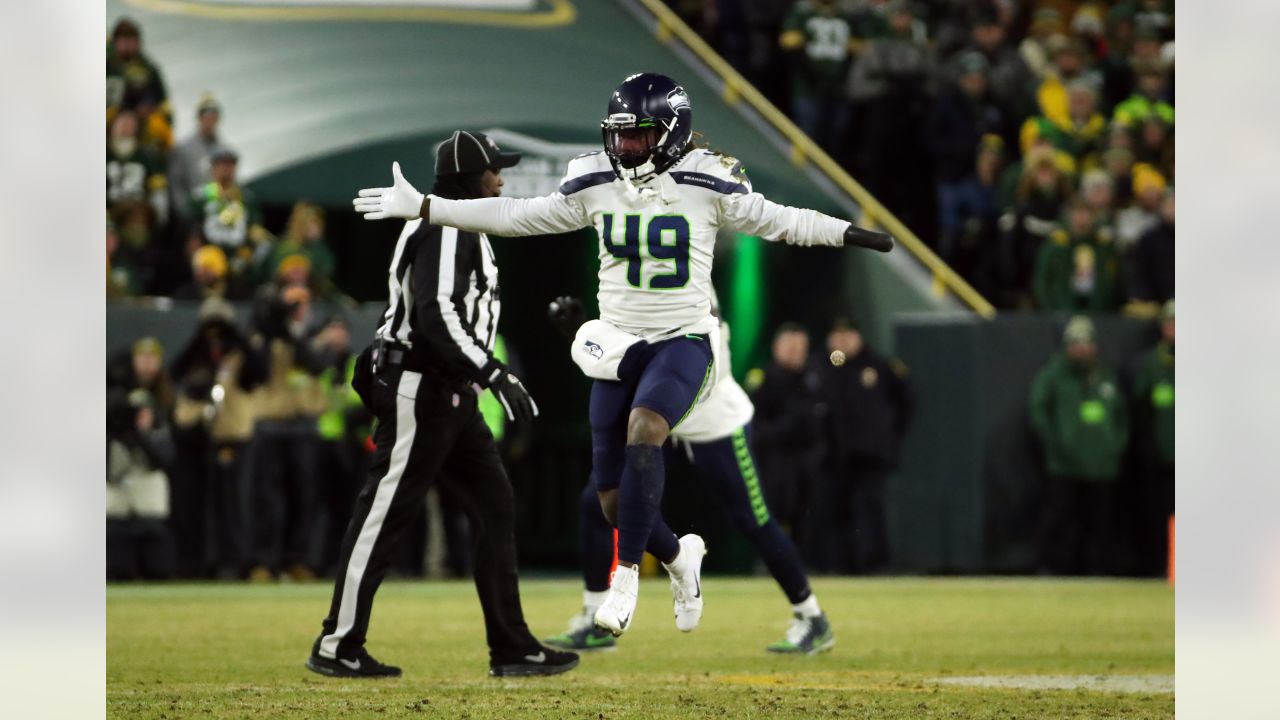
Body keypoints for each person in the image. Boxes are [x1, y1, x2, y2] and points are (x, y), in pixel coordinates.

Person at [352, 73, 892, 639]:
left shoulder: (705, 181)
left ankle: (630, 582)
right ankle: (680, 559)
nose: (625, 148)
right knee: (609, 502)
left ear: (672, 133)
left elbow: (783, 221)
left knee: (662, 441)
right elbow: (516, 216)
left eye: (638, 137)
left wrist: (850, 233)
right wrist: (428, 208)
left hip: (688, 351)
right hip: (621, 348)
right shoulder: (594, 180)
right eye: (620, 136)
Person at [309, 130, 578, 679]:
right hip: (422, 386)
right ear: (467, 179)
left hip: (449, 394)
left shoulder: (457, 222)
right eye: (492, 172)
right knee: (383, 515)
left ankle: (511, 645)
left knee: (495, 507)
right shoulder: (447, 223)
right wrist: (494, 371)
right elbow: (435, 313)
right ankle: (338, 642)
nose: (500, 180)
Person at [542, 297, 834, 655]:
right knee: (601, 502)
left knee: (752, 518)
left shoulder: (688, 269)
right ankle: (595, 612)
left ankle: (811, 615)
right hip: (650, 413)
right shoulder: (633, 270)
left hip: (706, 411)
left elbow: (701, 343)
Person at [1029, 316, 1129, 575]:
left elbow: (1122, 416)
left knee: (1099, 521)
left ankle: (1096, 569)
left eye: (1087, 343)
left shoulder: (1106, 374)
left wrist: (1113, 447)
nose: (1083, 348)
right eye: (1077, 343)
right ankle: (1056, 568)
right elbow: (1038, 411)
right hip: (1064, 464)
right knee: (1061, 519)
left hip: (1101, 465)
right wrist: (1056, 444)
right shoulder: (1053, 375)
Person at [813, 319, 911, 574]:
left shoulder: (879, 366)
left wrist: (888, 436)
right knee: (835, 510)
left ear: (858, 337)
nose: (841, 342)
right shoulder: (821, 367)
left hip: (870, 455)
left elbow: (907, 404)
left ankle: (875, 564)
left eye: (847, 335)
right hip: (834, 455)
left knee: (870, 510)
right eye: (837, 336)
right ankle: (838, 565)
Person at [748, 323, 822, 546]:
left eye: (800, 347)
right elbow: (753, 422)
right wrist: (783, 429)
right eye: (790, 346)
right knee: (774, 508)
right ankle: (770, 560)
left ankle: (806, 562)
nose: (796, 352)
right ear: (777, 347)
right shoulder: (764, 379)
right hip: (775, 457)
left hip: (809, 455)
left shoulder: (814, 377)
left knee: (809, 511)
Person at [1127, 299, 1174, 576]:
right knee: (1156, 517)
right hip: (1162, 461)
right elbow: (1139, 410)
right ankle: (1158, 567)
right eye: (1172, 323)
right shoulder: (1151, 365)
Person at [779, 0, 857, 155]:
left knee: (835, 137)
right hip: (808, 87)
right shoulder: (802, 13)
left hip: (839, 87)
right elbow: (789, 47)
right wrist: (810, 73)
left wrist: (843, 74)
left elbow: (857, 50)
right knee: (807, 136)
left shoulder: (846, 16)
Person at [169, 94, 233, 231]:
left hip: (217, 214)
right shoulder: (184, 149)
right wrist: (183, 211)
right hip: (192, 212)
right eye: (207, 117)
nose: (210, 122)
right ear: (199, 119)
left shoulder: (225, 150)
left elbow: (230, 182)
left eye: (214, 118)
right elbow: (176, 182)